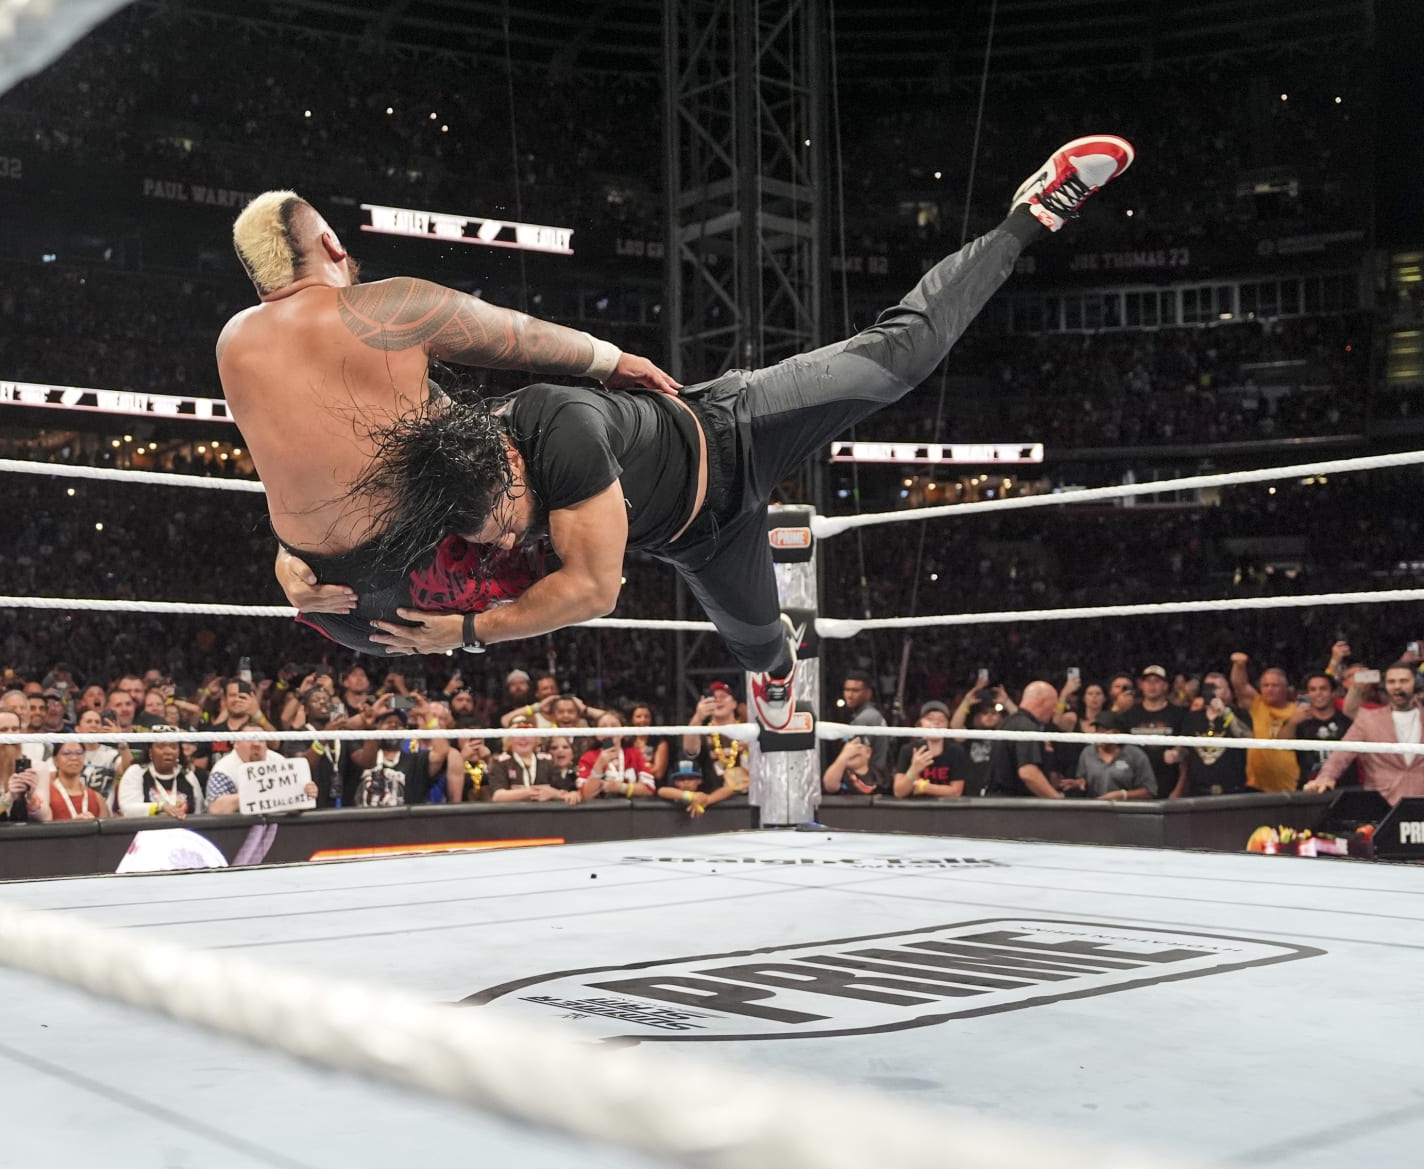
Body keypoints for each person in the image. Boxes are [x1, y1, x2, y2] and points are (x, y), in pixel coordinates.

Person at [322, 137, 1135, 733]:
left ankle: (1031, 214)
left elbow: (596, 593)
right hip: (700, 539)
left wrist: (464, 633)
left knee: (901, 359)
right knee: (761, 651)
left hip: (736, 428)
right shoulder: (448, 470)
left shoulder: (560, 429)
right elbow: (329, 501)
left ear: (511, 467)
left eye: (502, 525)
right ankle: (776, 671)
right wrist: (299, 569)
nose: (502, 546)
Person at [218, 190, 678, 655]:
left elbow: (302, 464)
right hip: (429, 585)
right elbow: (521, 336)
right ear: (333, 243)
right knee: (538, 422)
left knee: (438, 411)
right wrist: (613, 360)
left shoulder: (231, 344)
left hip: (331, 608)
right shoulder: (385, 306)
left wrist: (285, 555)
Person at [1305, 665, 1424, 807]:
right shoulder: (1368, 719)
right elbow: (1342, 753)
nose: (1397, 686)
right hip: (1382, 803)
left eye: (1403, 681)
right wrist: (1325, 777)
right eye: (1391, 682)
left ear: (1415, 683)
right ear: (1385, 685)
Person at [1229, 652, 1299, 793]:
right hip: (1257, 786)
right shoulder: (1258, 704)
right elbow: (1240, 686)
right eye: (1265, 685)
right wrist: (1239, 665)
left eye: (1275, 685)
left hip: (1291, 785)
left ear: (1285, 688)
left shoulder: (1298, 711)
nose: (1269, 689)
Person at [983, 681, 1062, 799]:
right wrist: (1058, 801)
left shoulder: (1009, 722)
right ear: (1043, 702)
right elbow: (1028, 773)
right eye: (1054, 704)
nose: (1055, 710)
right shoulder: (1027, 727)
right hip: (1014, 807)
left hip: (998, 803)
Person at [1117, 665, 1182, 799]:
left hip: (1168, 781)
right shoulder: (1130, 714)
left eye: (1157, 681)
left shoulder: (1178, 714)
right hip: (1136, 783)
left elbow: (1186, 750)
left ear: (1165, 686)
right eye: (1148, 681)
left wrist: (1177, 752)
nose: (1152, 685)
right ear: (1141, 685)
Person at [1280, 672, 1353, 787]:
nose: (1318, 693)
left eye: (1323, 689)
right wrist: (1292, 722)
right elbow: (1282, 744)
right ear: (1307, 694)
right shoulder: (1299, 721)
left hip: (1344, 787)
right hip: (1309, 787)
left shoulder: (1346, 722)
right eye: (1313, 689)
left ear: (1334, 693)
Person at [1067, 711, 1158, 801]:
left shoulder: (1135, 755)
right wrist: (1079, 783)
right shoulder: (1087, 753)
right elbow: (1083, 780)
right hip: (1096, 810)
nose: (1098, 735)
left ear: (1116, 733)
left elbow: (1150, 790)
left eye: (1103, 731)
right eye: (1097, 730)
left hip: (1126, 811)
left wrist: (1123, 795)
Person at [891, 701, 972, 799]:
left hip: (947, 810)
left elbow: (956, 792)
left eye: (941, 719)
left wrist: (924, 787)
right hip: (915, 809)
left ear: (947, 726)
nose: (936, 722)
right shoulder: (908, 750)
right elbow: (899, 792)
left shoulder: (956, 751)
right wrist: (914, 769)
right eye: (930, 719)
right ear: (921, 724)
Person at [117, 726, 203, 818]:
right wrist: (160, 807)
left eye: (173, 747)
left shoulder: (187, 775)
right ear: (150, 751)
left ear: (179, 752)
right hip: (147, 829)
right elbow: (128, 809)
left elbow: (198, 810)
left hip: (183, 829)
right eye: (161, 747)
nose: (168, 752)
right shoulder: (136, 772)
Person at [576, 713, 657, 803]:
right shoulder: (588, 757)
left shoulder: (635, 754)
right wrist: (599, 766)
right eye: (603, 727)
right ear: (597, 735)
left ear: (623, 732)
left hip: (631, 812)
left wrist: (620, 787)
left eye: (614, 726)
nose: (609, 730)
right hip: (599, 811)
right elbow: (585, 795)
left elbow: (649, 789)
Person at [27, 741, 110, 821]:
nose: (74, 758)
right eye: (66, 753)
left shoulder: (96, 798)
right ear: (55, 760)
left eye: (79, 753)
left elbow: (106, 832)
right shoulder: (45, 795)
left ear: (84, 758)